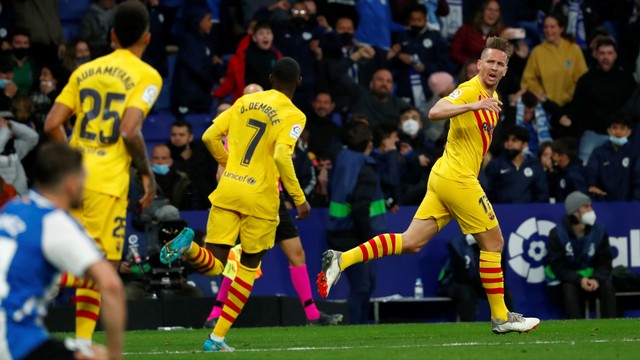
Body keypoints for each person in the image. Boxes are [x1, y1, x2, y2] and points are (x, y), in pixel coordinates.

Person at [317, 36, 540, 334]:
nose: (494, 67)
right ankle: (500, 317)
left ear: (505, 69)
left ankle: (342, 259)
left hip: (444, 176)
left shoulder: (491, 96)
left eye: (500, 64)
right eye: (490, 61)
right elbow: (435, 112)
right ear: (479, 64)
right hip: (457, 178)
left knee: (411, 241)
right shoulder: (470, 90)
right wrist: (473, 104)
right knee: (494, 243)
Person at [159, 57, 311, 351]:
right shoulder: (294, 114)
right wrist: (300, 199)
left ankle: (189, 247)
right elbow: (281, 156)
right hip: (261, 198)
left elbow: (208, 136)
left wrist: (228, 164)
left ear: (270, 78)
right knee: (248, 267)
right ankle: (216, 338)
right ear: (299, 83)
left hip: (228, 188)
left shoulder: (243, 102)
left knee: (215, 264)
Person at [43, 0, 161, 347]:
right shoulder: (147, 75)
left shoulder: (84, 71)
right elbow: (128, 130)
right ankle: (52, 278)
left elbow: (52, 123)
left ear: (111, 35)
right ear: (148, 38)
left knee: (91, 264)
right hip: (107, 182)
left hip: (73, 178)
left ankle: (81, 340)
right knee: (102, 267)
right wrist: (147, 175)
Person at [0, 143, 125, 360]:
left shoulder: (12, 208)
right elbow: (111, 284)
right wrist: (114, 355)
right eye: (84, 178)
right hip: (11, 336)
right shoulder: (56, 222)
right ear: (71, 183)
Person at [326, 120, 388, 324]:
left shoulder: (341, 159)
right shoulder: (366, 167)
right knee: (362, 286)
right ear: (369, 144)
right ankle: (356, 328)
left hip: (339, 230)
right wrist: (369, 241)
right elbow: (361, 208)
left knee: (365, 285)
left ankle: (360, 326)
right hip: (356, 235)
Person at [545, 191, 617, 319]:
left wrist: (596, 279)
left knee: (607, 286)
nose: (591, 210)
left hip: (594, 280)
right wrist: (579, 279)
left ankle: (611, 326)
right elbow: (558, 266)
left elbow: (605, 262)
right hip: (570, 282)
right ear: (574, 212)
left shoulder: (599, 231)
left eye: (590, 206)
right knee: (568, 289)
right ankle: (576, 328)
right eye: (586, 207)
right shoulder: (557, 234)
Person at [438, 234, 513, 322]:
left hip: (481, 283)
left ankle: (504, 321)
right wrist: (482, 282)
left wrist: (488, 282)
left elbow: (501, 272)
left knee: (503, 290)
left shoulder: (496, 243)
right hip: (457, 282)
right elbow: (459, 276)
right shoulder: (456, 244)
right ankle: (467, 326)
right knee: (466, 293)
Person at [482, 125, 548, 204]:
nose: (509, 144)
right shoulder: (495, 165)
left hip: (530, 214)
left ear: (524, 144)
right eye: (507, 140)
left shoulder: (535, 166)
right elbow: (487, 191)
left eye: (514, 140)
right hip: (500, 212)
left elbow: (542, 195)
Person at [585, 112, 640, 202]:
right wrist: (592, 186)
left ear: (629, 132)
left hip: (628, 204)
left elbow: (638, 180)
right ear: (609, 130)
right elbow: (591, 173)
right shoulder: (598, 152)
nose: (618, 132)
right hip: (603, 203)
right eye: (614, 128)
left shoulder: (635, 153)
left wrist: (635, 202)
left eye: (622, 128)